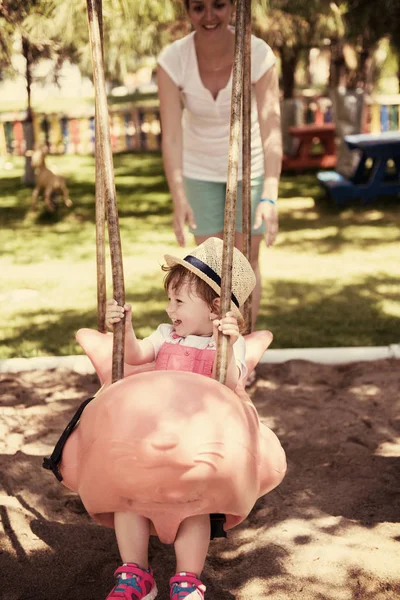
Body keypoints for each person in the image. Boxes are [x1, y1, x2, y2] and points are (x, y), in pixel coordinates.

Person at [103, 237, 256, 600]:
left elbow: (233, 382)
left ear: (215, 307)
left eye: (179, 301)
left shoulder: (229, 346)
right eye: (169, 299)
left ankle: (187, 578)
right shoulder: (165, 335)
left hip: (198, 442)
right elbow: (137, 354)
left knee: (194, 507)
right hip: (153, 434)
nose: (170, 308)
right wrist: (124, 328)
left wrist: (228, 345)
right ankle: (136, 574)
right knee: (130, 498)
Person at [157, 0, 282, 330]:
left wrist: (270, 194)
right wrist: (179, 195)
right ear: (187, 11)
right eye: (198, 7)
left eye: (219, 5)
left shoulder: (258, 53)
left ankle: (241, 350)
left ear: (233, 7)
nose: (209, 16)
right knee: (208, 272)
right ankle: (212, 350)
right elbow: (170, 136)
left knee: (245, 265)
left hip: (248, 169)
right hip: (198, 171)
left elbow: (271, 127)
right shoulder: (173, 60)